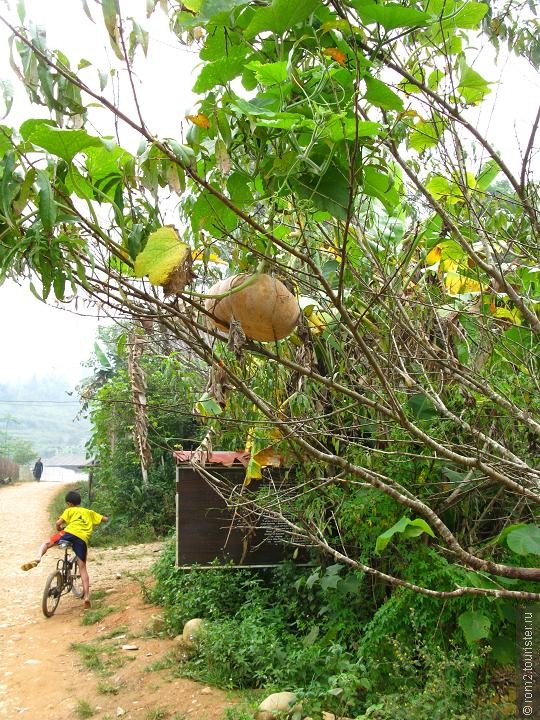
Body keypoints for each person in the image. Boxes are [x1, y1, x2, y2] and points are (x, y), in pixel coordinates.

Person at [21, 490, 108, 609]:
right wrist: (99, 519)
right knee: (82, 568)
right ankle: (87, 596)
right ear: (79, 502)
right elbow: (105, 519)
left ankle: (38, 558)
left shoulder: (69, 510)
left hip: (68, 533)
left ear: (69, 503)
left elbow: (58, 523)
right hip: (82, 539)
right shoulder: (89, 512)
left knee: (47, 543)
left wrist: (59, 528)